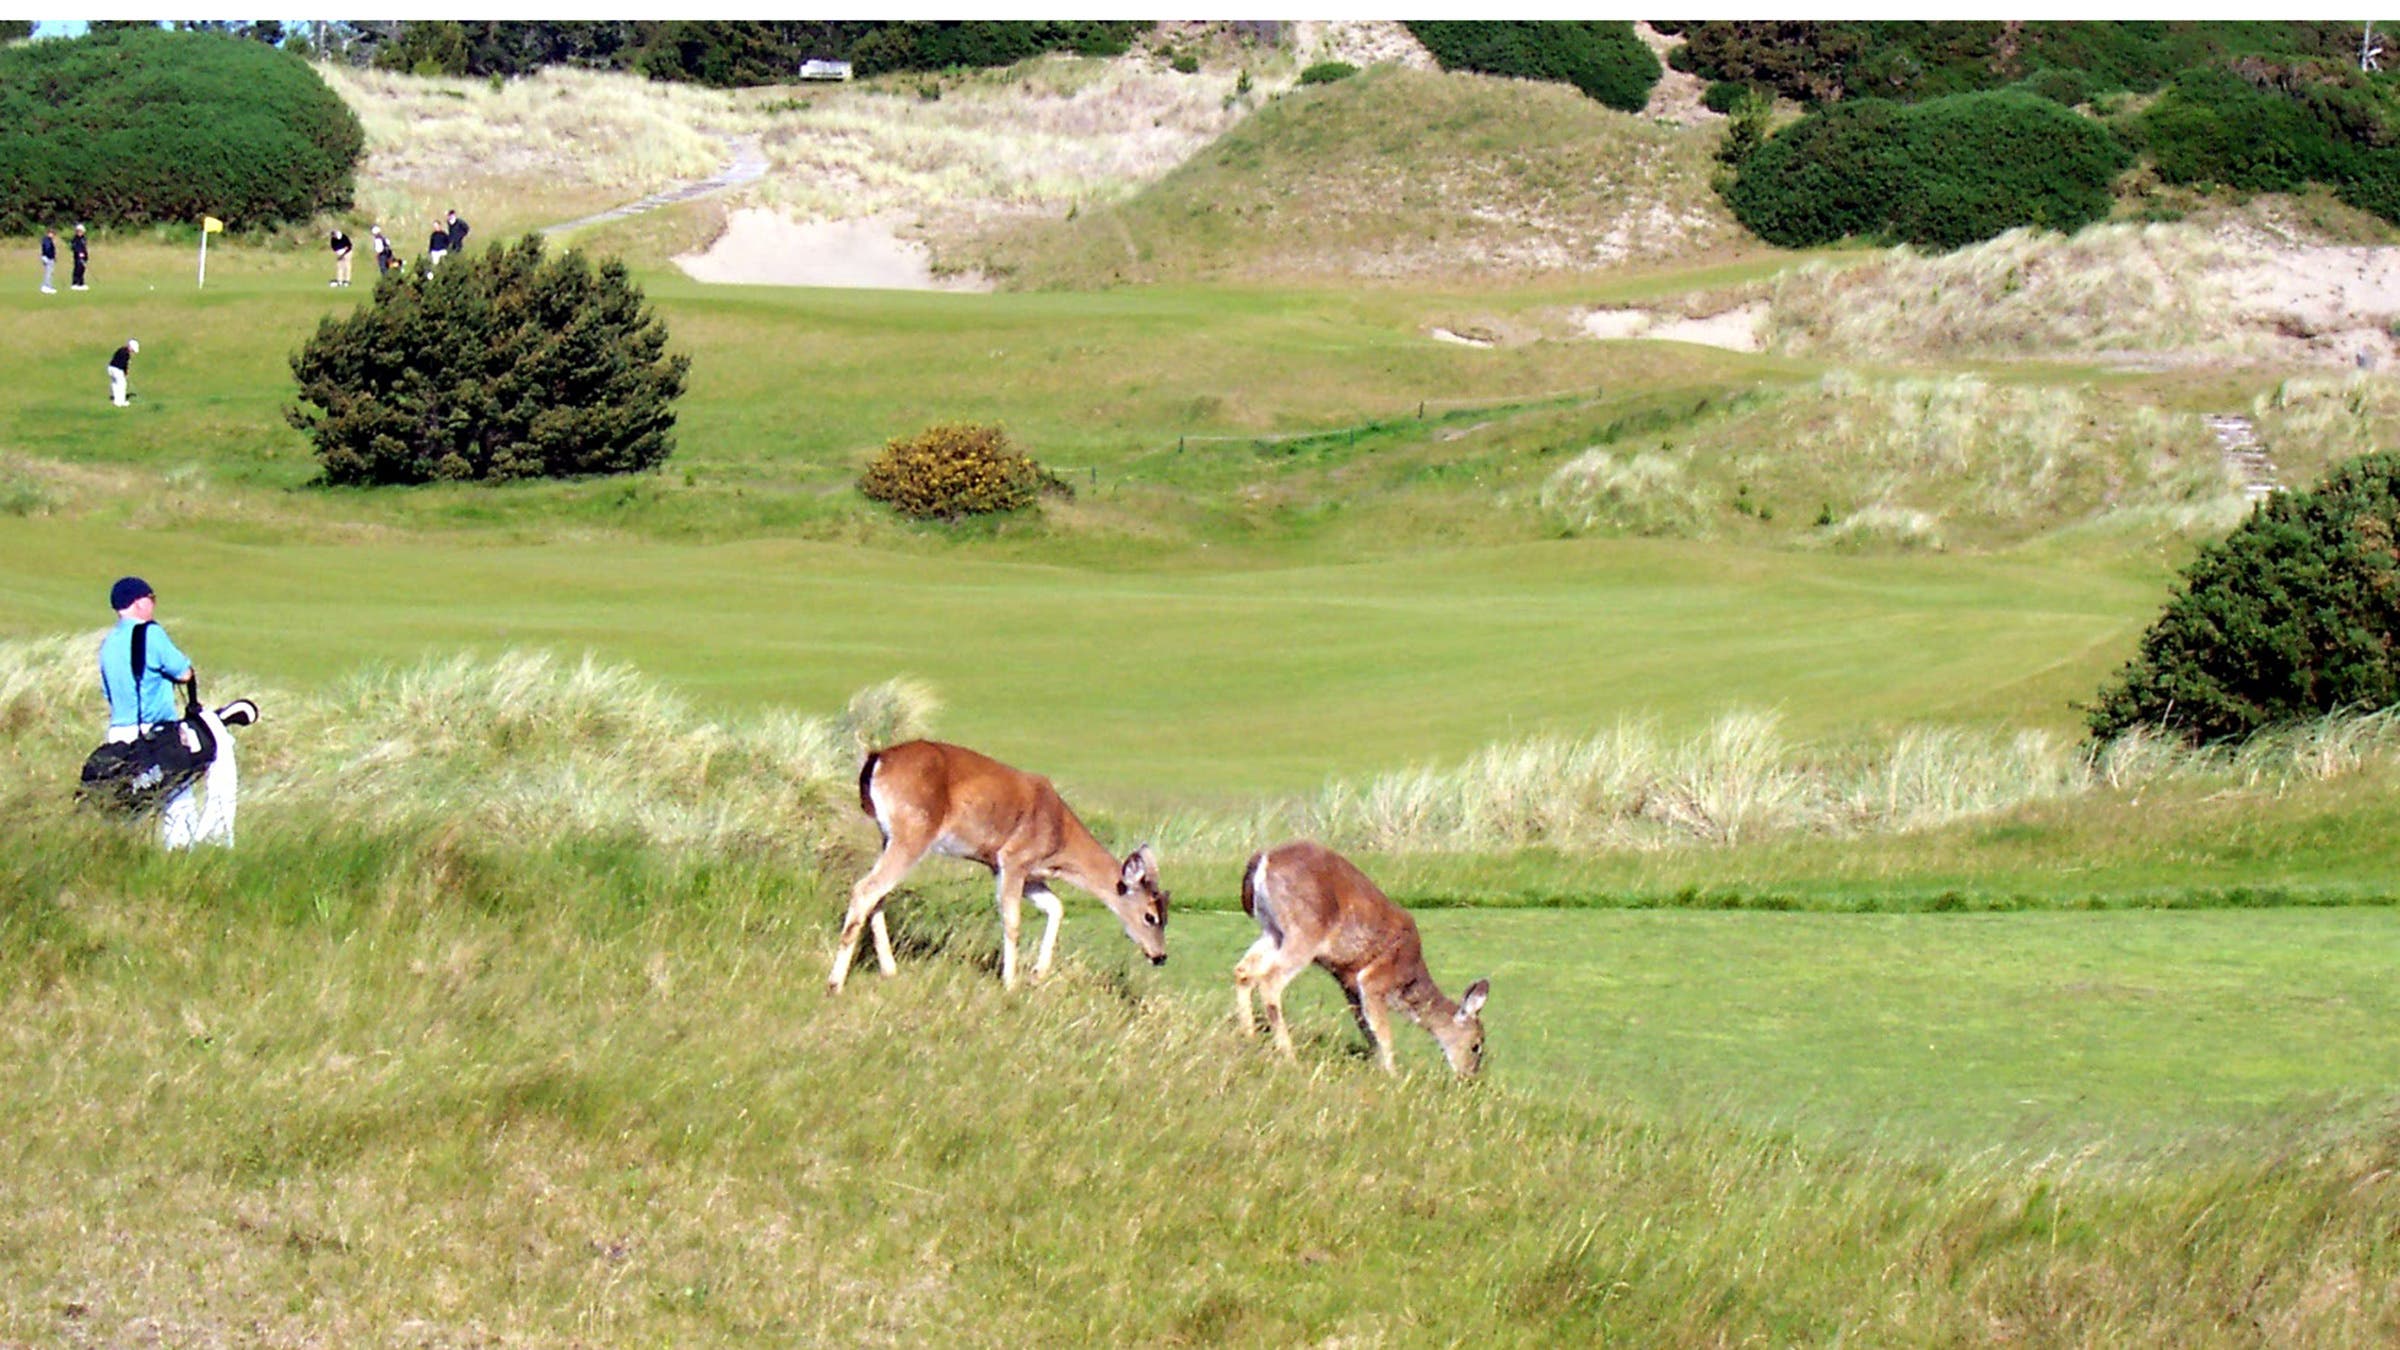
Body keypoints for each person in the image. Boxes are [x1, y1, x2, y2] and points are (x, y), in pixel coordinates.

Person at [97, 576, 213, 848]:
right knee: (177, 798)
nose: (153, 604)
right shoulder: (151, 633)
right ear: (139, 603)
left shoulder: (108, 643)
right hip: (155, 733)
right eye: (152, 598)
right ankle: (179, 859)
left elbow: (107, 693)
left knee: (131, 799)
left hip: (119, 732)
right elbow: (183, 672)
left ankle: (125, 852)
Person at [107, 338, 138, 407]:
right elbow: (124, 365)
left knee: (115, 384)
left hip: (110, 368)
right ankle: (121, 401)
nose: (132, 352)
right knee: (122, 385)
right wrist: (125, 372)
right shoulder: (126, 354)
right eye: (132, 350)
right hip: (117, 370)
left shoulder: (121, 350)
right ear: (130, 347)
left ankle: (116, 401)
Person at [70, 223, 88, 290]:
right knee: (77, 269)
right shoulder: (75, 239)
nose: (80, 232)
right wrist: (79, 253)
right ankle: (74, 283)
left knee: (82, 270)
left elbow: (84, 248)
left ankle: (81, 283)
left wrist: (85, 256)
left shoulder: (83, 239)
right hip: (78, 257)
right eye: (78, 231)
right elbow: (74, 247)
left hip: (83, 257)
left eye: (81, 231)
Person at [39, 227, 56, 294]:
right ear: (49, 233)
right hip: (48, 258)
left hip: (49, 258)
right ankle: (46, 286)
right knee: (48, 272)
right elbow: (47, 249)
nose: (53, 235)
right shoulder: (47, 240)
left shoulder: (49, 240)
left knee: (50, 272)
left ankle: (48, 285)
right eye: (52, 233)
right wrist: (49, 256)